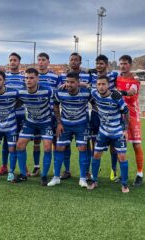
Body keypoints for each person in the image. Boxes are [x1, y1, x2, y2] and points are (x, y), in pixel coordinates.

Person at [48, 72, 91, 188]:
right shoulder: (60, 92)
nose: (69, 84)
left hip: (81, 125)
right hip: (65, 124)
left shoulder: (86, 93)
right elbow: (55, 106)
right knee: (59, 148)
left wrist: (86, 85)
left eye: (72, 82)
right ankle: (56, 177)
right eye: (67, 82)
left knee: (82, 148)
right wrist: (59, 123)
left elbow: (96, 100)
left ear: (78, 83)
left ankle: (82, 178)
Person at [89, 75, 130, 193]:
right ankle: (94, 181)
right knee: (96, 155)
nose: (101, 87)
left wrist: (126, 130)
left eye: (103, 84)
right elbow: (85, 87)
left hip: (117, 132)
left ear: (108, 85)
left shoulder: (116, 97)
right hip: (103, 132)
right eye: (99, 84)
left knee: (122, 157)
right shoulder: (94, 93)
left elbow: (126, 113)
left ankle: (125, 184)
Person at [14, 68, 54, 186]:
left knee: (47, 148)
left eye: (31, 78)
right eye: (26, 78)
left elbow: (58, 100)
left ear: (37, 79)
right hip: (30, 121)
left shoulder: (47, 91)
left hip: (46, 122)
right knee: (20, 145)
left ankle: (44, 176)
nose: (29, 80)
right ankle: (23, 174)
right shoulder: (21, 92)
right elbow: (17, 102)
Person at [57, 52, 91, 180]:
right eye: (71, 60)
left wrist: (82, 84)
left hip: (82, 115)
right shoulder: (63, 76)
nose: (73, 62)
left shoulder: (87, 75)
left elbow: (91, 89)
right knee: (65, 144)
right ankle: (66, 170)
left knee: (85, 145)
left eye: (76, 60)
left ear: (80, 62)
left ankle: (86, 171)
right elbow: (60, 90)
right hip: (66, 115)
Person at [116, 55, 144, 186]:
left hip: (133, 116)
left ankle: (140, 174)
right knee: (121, 146)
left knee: (136, 145)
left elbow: (132, 91)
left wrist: (121, 93)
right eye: (121, 63)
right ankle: (123, 173)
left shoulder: (135, 79)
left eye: (125, 63)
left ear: (130, 65)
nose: (122, 65)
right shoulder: (117, 78)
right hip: (120, 116)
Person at [89, 54, 119, 181]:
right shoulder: (92, 76)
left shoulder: (113, 75)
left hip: (111, 116)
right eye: (97, 63)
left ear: (106, 65)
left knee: (113, 145)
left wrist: (134, 78)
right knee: (94, 142)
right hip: (96, 113)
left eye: (101, 63)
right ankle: (96, 168)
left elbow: (122, 78)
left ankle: (113, 169)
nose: (98, 66)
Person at [0, 52, 26, 176]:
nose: (12, 62)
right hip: (7, 116)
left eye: (15, 60)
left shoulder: (24, 77)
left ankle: (23, 167)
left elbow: (25, 94)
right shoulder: (4, 77)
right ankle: (4, 166)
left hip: (21, 114)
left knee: (21, 142)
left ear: (19, 62)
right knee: (6, 142)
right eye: (11, 60)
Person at [32, 52, 60, 177]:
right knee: (36, 141)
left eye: (43, 60)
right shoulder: (32, 76)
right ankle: (36, 166)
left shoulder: (55, 77)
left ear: (48, 61)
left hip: (52, 113)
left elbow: (59, 93)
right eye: (39, 60)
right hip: (37, 114)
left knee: (53, 141)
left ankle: (54, 167)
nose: (41, 62)